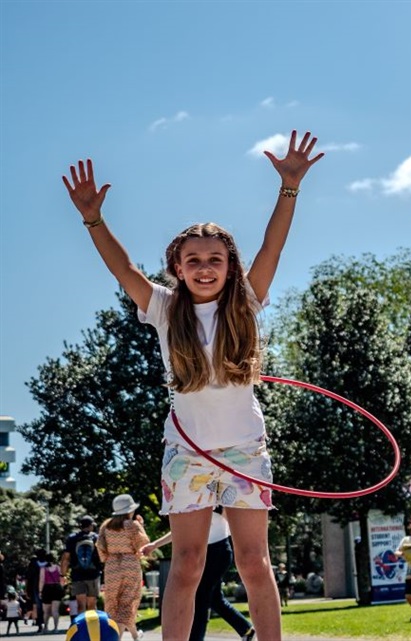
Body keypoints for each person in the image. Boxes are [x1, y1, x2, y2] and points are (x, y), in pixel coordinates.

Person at [61, 130, 324, 641]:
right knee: (186, 566)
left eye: (215, 260)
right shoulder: (162, 307)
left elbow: (274, 243)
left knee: (254, 562)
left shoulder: (246, 301)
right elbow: (123, 269)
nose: (205, 268)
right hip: (189, 452)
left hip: (245, 448)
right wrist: (93, 219)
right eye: (194, 261)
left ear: (231, 268)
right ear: (177, 268)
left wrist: (288, 187)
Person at [143, 508, 256, 641]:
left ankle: (196, 638)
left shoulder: (218, 502)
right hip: (209, 552)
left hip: (217, 552)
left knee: (200, 597)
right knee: (214, 598)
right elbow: (182, 531)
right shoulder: (195, 502)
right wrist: (155, 545)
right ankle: (246, 629)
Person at [97, 494, 150, 641]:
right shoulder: (133, 525)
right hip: (130, 563)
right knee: (128, 601)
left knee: (113, 601)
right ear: (129, 510)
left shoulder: (106, 525)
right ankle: (116, 638)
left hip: (112, 565)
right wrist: (141, 526)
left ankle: (134, 635)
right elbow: (143, 545)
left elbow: (100, 546)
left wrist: (108, 558)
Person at [62, 516, 101, 616]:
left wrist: (63, 575)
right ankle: (93, 628)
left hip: (77, 575)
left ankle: (83, 628)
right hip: (93, 574)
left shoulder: (72, 538)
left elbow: (66, 558)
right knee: (92, 604)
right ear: (91, 525)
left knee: (80, 605)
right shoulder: (96, 538)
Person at [39, 551, 65, 632]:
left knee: (46, 611)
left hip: (47, 588)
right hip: (56, 588)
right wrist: (61, 588)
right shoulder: (58, 567)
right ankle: (56, 628)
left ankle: (46, 627)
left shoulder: (43, 569)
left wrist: (40, 591)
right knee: (55, 610)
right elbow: (62, 579)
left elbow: (42, 580)